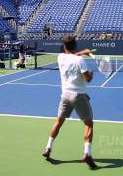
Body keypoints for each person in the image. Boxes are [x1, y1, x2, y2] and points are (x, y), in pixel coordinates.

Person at [42, 35, 97, 169]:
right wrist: (91, 73)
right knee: (89, 124)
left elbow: (70, 56)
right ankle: (87, 154)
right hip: (79, 96)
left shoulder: (60, 57)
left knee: (58, 122)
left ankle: (48, 148)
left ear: (65, 46)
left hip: (65, 96)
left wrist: (81, 53)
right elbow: (87, 79)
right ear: (75, 45)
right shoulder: (80, 61)